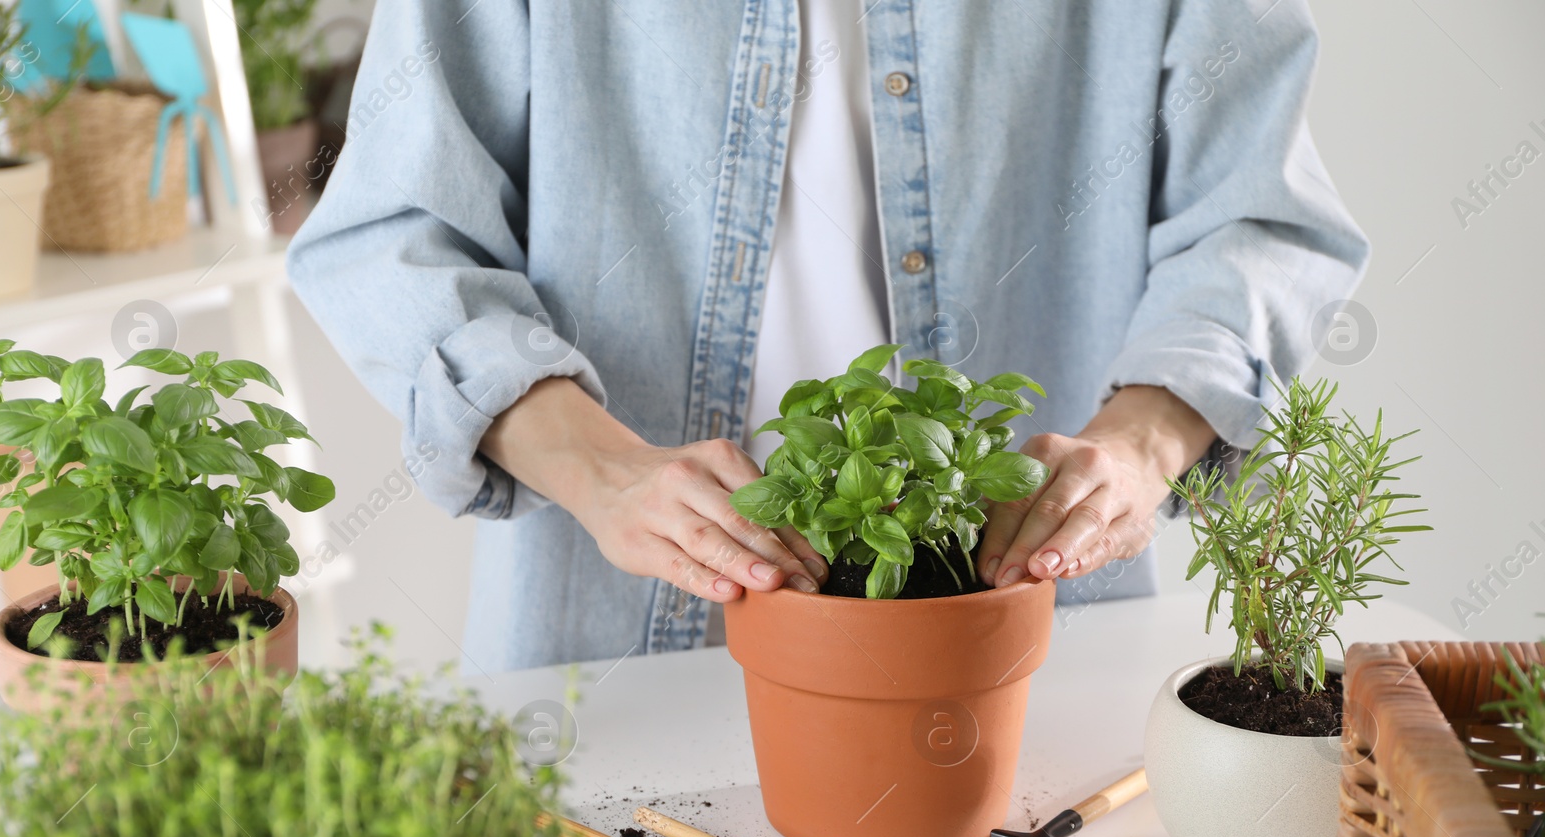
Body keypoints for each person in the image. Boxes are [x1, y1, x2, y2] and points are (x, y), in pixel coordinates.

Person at [289, 0, 1368, 672]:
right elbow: (394, 229)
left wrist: (1138, 444)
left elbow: (1260, 216)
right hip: (609, 654)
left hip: (1020, 644)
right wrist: (602, 467)